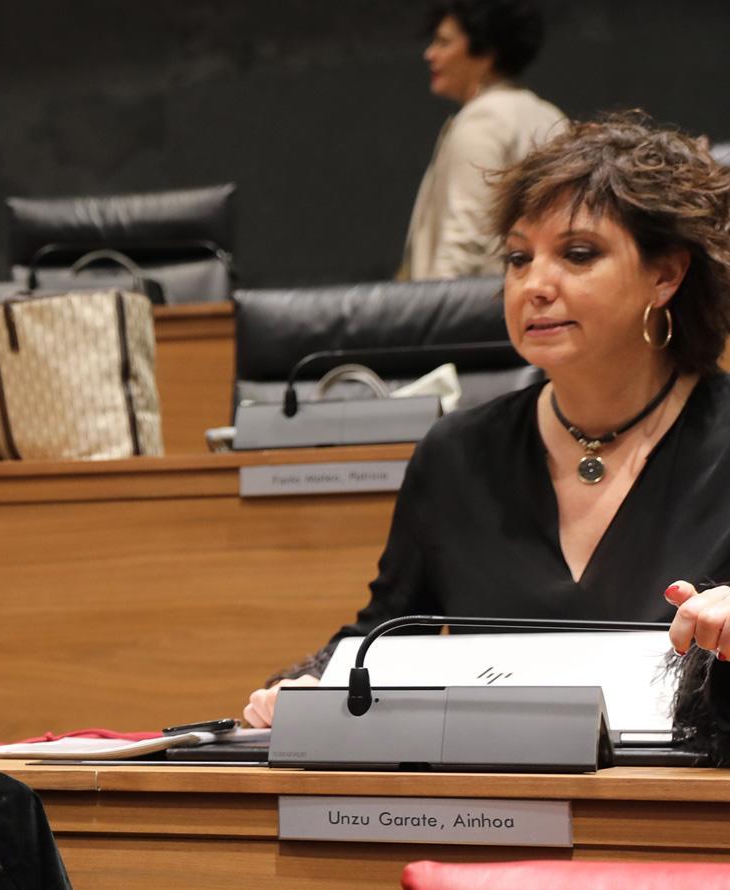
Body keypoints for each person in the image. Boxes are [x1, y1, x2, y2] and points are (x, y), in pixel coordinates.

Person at [245, 113, 730, 731]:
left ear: (666, 275)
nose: (534, 284)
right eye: (519, 258)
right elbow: (384, 635)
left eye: (578, 255)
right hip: (491, 809)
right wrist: (312, 686)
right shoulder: (457, 453)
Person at [402, 0, 564, 279]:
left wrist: (430, 315)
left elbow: (465, 241)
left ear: (485, 51)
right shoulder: (548, 114)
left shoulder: (483, 120)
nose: (430, 54)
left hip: (478, 311)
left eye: (443, 43)